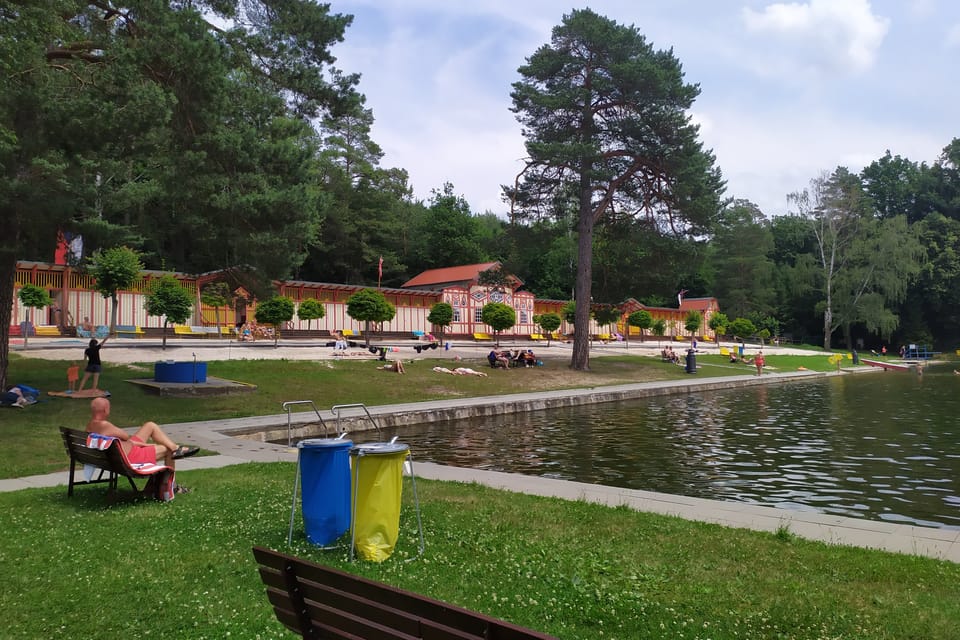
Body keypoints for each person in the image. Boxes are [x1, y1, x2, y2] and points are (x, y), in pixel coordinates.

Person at [85, 397, 199, 470]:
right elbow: (125, 436)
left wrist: (141, 444)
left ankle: (175, 448)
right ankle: (169, 486)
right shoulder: (104, 425)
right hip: (131, 457)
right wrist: (140, 445)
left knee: (150, 425)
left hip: (121, 452)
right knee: (166, 449)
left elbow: (124, 441)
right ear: (105, 410)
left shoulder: (90, 425)